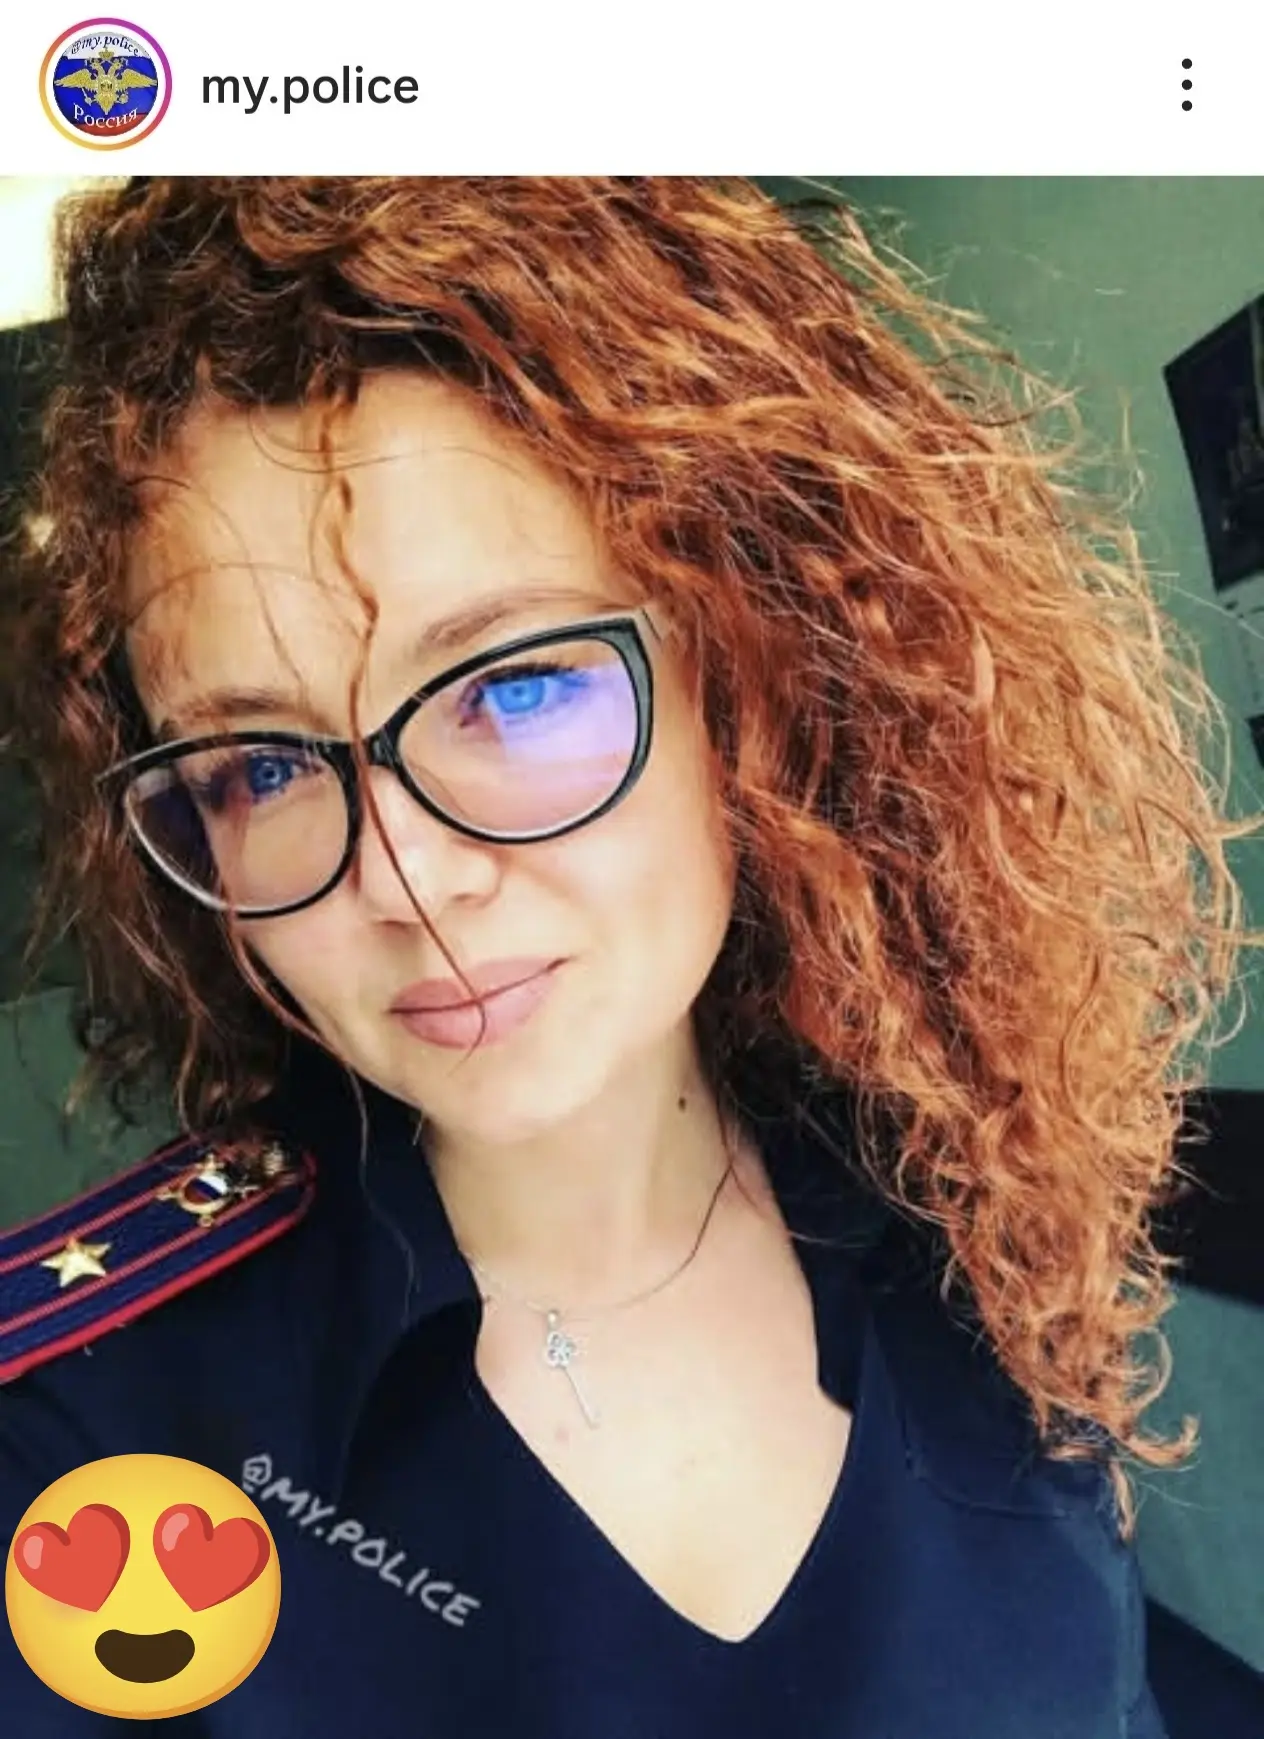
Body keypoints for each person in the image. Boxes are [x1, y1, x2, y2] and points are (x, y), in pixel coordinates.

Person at [0, 175, 1251, 1738]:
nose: (406, 877)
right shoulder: (85, 1437)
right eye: (260, 765)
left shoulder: (967, 1192)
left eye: (514, 688)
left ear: (755, 675)